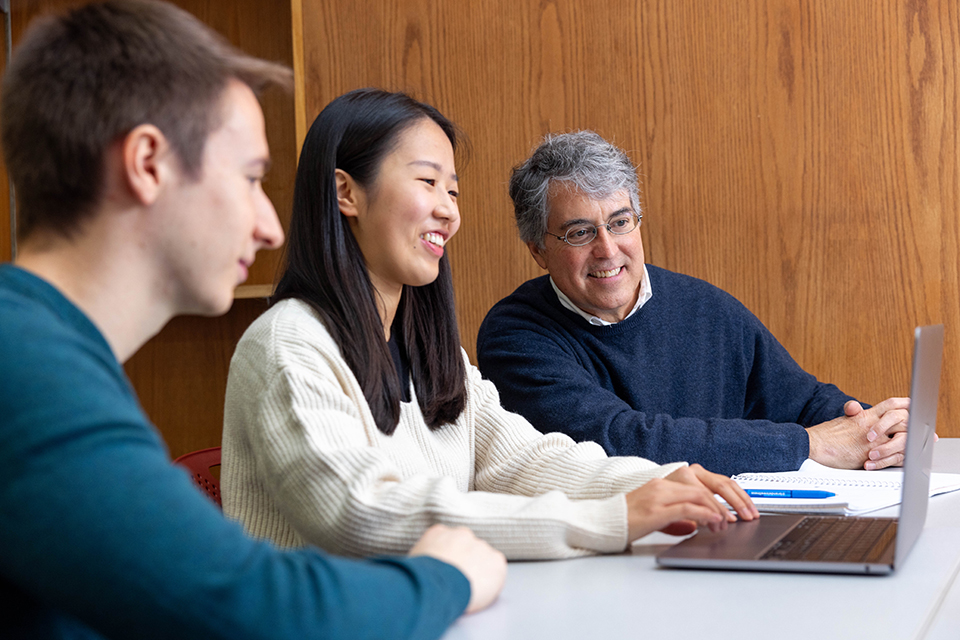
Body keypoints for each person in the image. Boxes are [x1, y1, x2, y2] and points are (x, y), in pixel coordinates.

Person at [0, 2, 507, 638]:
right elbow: (254, 605)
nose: (269, 226)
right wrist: (445, 574)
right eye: (249, 178)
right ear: (148, 163)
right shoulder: (27, 371)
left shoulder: (45, 353)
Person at [220, 89, 758, 563]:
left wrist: (662, 481)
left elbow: (526, 461)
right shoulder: (286, 344)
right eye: (428, 182)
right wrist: (613, 518)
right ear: (346, 193)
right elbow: (365, 515)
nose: (449, 212)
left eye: (452, 191)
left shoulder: (433, 354)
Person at [476, 130, 911, 477]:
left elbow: (801, 400)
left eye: (620, 222)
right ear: (538, 250)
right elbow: (620, 442)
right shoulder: (514, 336)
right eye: (579, 232)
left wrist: (877, 430)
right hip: (616, 559)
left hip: (732, 536)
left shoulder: (705, 307)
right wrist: (811, 444)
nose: (608, 250)